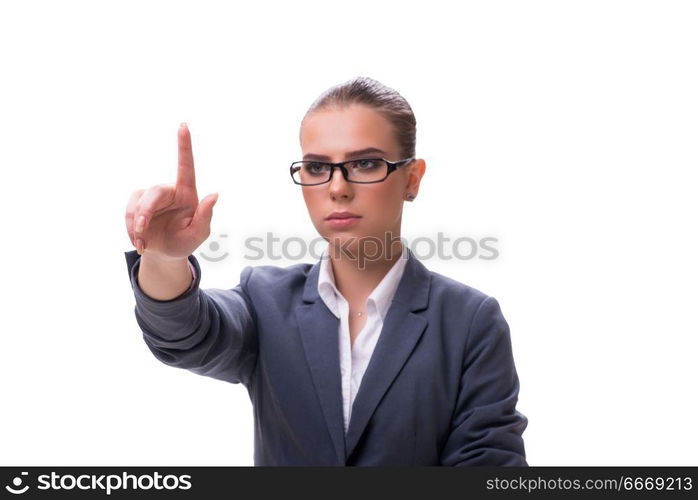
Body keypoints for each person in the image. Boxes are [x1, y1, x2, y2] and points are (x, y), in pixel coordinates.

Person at [123, 76, 528, 466]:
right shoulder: (264, 300)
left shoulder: (470, 322)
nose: (337, 188)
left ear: (412, 178)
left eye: (366, 163)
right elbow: (184, 333)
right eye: (317, 168)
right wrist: (163, 258)